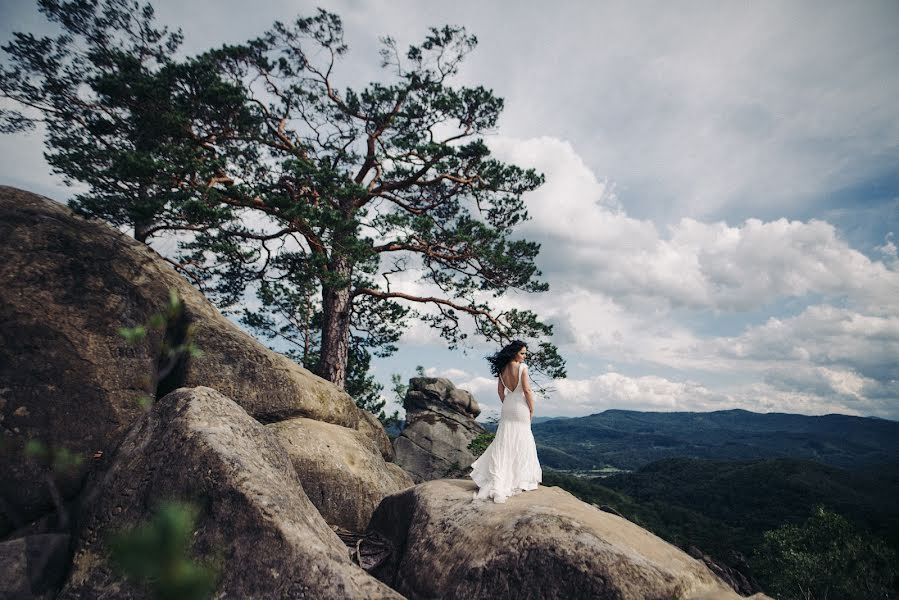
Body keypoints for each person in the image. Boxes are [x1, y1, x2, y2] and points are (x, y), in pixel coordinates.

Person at [469, 340, 542, 503]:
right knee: (521, 438)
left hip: (508, 405)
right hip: (520, 406)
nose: (525, 356)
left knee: (504, 440)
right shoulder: (522, 368)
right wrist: (531, 408)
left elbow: (500, 391)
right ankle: (518, 478)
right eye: (522, 353)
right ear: (515, 352)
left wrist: (507, 403)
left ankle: (498, 477)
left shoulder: (502, 369)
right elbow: (527, 390)